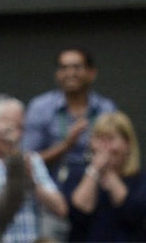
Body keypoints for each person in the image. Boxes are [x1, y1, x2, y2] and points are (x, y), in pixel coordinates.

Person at [0, 94, 68, 243]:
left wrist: (33, 182)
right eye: (9, 127)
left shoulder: (31, 160)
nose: (15, 135)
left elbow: (60, 208)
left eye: (20, 127)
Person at [23, 47, 117, 186]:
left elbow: (120, 155)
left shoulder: (106, 108)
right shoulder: (40, 108)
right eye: (64, 68)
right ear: (57, 74)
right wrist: (65, 145)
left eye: (77, 67)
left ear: (92, 73)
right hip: (53, 187)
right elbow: (27, 160)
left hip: (98, 186)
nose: (70, 73)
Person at [63, 110, 146, 242]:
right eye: (100, 139)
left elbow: (133, 212)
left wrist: (109, 174)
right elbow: (77, 212)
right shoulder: (77, 175)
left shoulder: (139, 180)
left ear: (128, 144)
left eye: (111, 139)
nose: (105, 148)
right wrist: (95, 170)